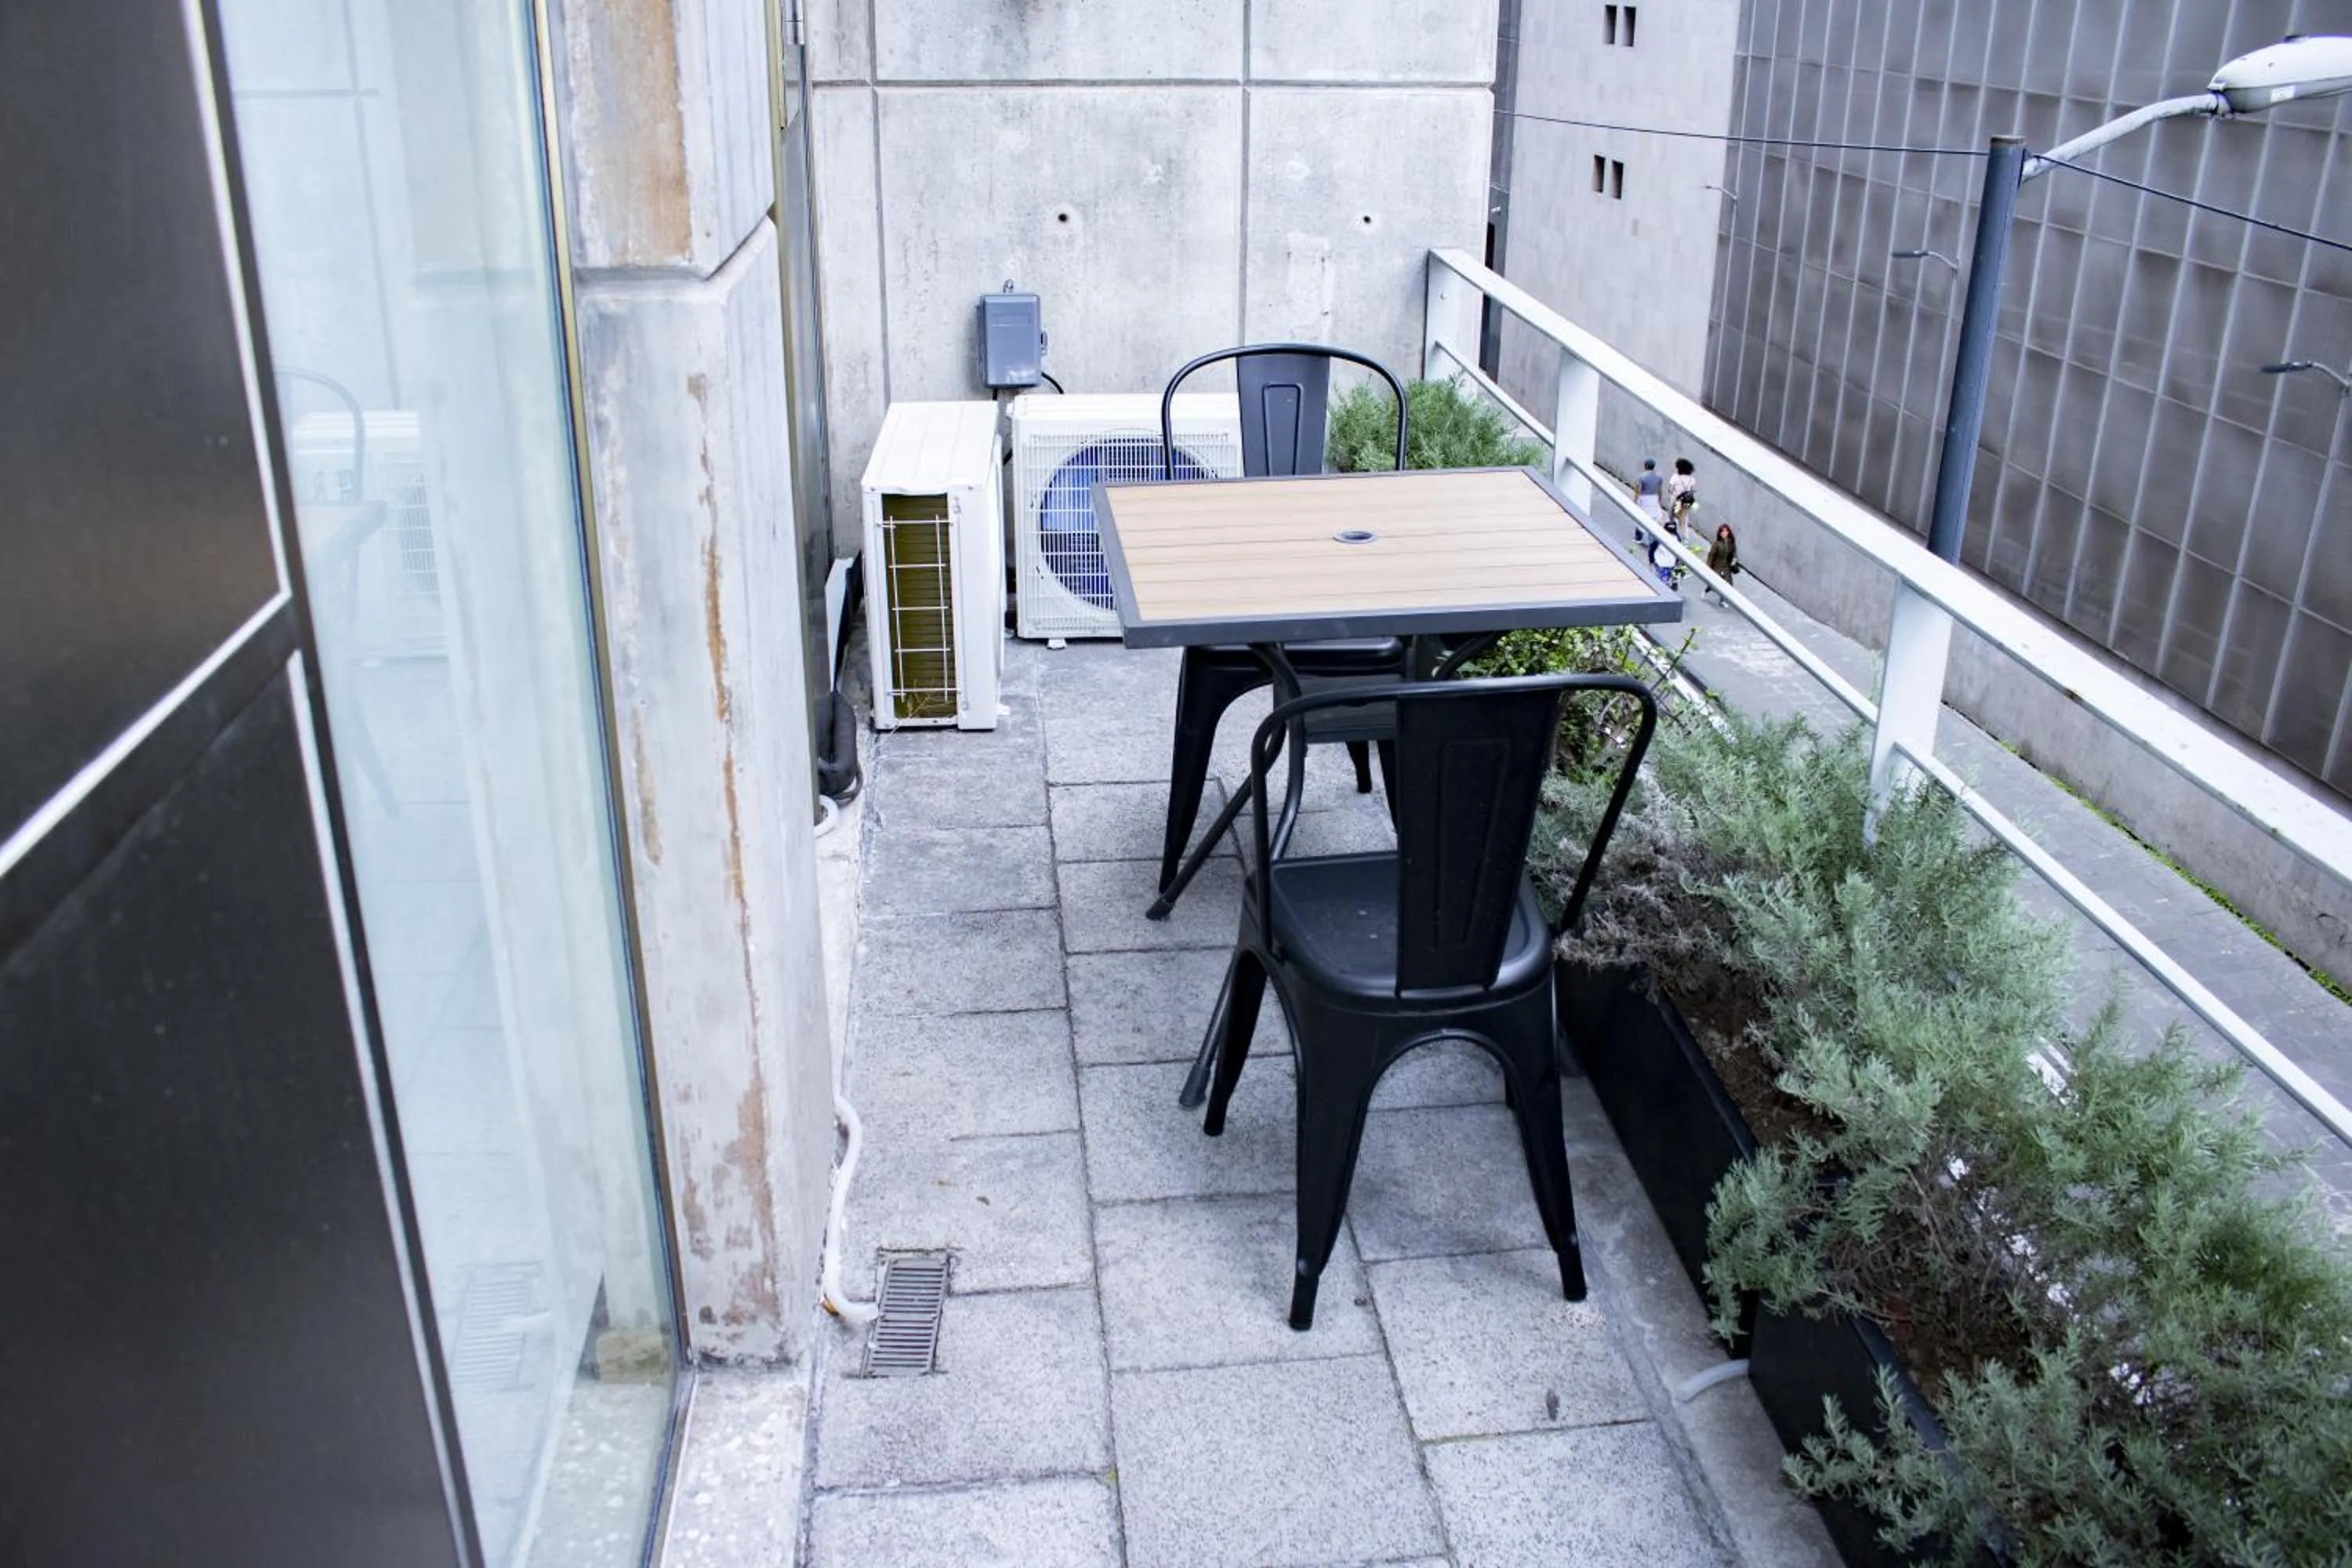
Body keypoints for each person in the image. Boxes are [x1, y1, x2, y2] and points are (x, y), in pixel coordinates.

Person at [1704, 521, 1739, 604]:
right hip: (1717, 567)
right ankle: (1706, 591)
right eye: (1722, 531)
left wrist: (1734, 560)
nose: (1724, 533)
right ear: (1719, 533)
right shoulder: (1717, 543)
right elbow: (1711, 555)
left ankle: (1722, 600)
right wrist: (1708, 567)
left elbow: (1734, 553)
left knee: (1727, 585)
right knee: (1715, 584)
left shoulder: (1731, 542)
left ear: (1729, 532)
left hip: (1726, 567)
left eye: (1726, 531)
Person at [1631, 459, 1664, 546]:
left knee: (1640, 517)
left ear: (1645, 466)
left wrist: (1636, 501)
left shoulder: (1642, 477)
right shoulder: (1659, 477)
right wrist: (1659, 501)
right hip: (1654, 498)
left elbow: (1638, 490)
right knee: (1653, 517)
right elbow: (1660, 490)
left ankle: (1638, 537)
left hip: (1644, 498)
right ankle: (1651, 538)